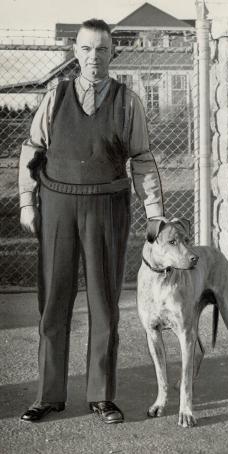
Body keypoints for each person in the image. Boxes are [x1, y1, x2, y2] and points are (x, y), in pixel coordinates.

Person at [19, 19, 164, 424]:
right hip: (58, 209)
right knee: (53, 303)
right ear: (75, 52)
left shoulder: (127, 101)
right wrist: (27, 202)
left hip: (106, 211)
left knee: (104, 303)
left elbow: (143, 159)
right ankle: (48, 395)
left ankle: (101, 395)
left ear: (112, 53)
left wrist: (155, 215)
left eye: (102, 50)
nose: (93, 58)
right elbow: (33, 148)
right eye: (86, 49)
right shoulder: (56, 95)